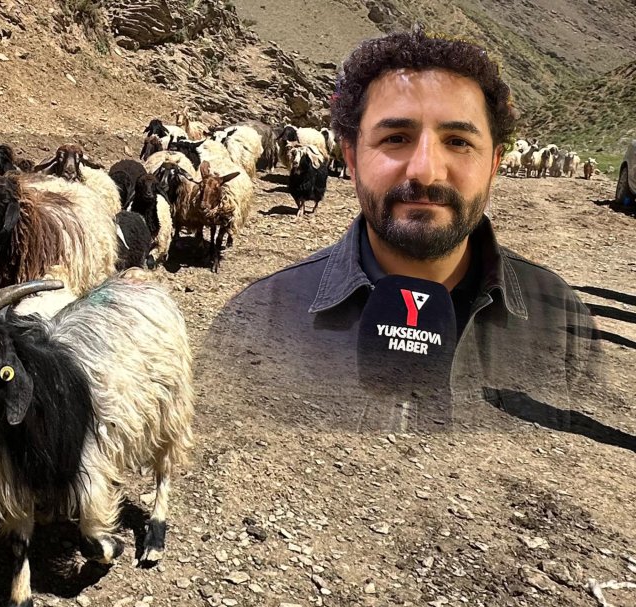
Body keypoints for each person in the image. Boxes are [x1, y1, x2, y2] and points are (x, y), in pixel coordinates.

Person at [207, 28, 599, 430]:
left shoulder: (563, 321)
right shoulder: (257, 318)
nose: (425, 171)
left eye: (459, 141)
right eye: (396, 138)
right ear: (351, 158)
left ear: (495, 164)